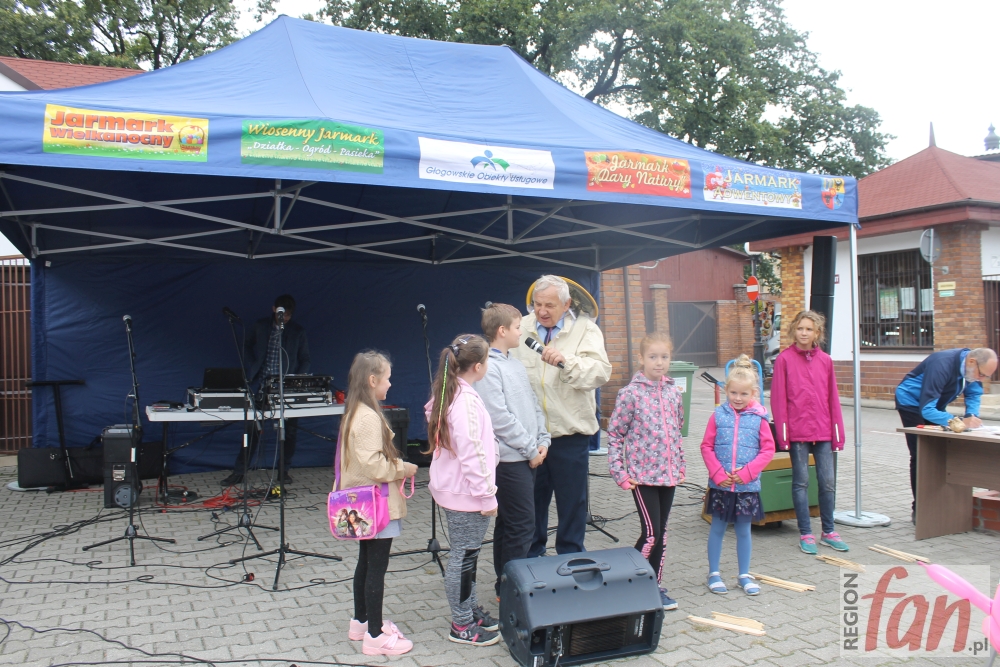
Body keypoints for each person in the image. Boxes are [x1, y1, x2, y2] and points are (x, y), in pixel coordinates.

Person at [510, 275, 612, 557]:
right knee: (532, 503)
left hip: (570, 434)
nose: (541, 311)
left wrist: (567, 363)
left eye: (550, 305)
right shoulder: (520, 328)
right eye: (537, 304)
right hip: (530, 437)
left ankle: (571, 558)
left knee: (572, 504)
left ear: (566, 305)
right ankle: (532, 559)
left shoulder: (586, 329)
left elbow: (601, 372)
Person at [338, 350, 418, 656]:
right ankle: (375, 635)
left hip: (361, 504)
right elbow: (374, 465)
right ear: (373, 381)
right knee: (376, 567)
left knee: (366, 561)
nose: (390, 383)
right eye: (387, 378)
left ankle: (361, 621)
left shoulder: (353, 411)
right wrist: (403, 468)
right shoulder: (369, 417)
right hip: (377, 504)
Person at [425, 334, 502, 647]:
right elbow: (472, 452)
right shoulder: (465, 400)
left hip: (458, 490)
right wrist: (487, 495)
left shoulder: (450, 392)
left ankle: (470, 612)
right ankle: (462, 625)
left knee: (468, 555)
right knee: (463, 557)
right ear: (479, 367)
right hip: (467, 494)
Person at [473, 303, 550, 602]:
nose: (522, 332)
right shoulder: (489, 369)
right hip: (509, 461)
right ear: (502, 330)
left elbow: (533, 404)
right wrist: (530, 449)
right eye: (518, 327)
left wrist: (543, 439)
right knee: (522, 524)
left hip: (529, 454)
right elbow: (499, 417)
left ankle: (505, 585)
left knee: (510, 523)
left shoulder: (515, 364)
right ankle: (511, 589)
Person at [606, 332, 685, 611]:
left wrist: (680, 465)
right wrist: (620, 472)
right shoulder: (630, 394)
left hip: (668, 476)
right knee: (651, 534)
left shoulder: (674, 392)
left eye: (664, 357)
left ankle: (654, 586)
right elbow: (615, 434)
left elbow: (677, 431)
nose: (659, 362)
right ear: (641, 358)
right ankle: (632, 585)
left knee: (661, 534)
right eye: (653, 357)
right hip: (643, 477)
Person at [769, 310, 848, 555]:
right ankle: (805, 533)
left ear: (817, 333)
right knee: (801, 482)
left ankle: (829, 531)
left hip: (823, 430)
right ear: (794, 330)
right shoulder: (784, 360)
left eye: (809, 329)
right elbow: (778, 399)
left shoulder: (825, 361)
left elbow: (833, 398)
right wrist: (783, 434)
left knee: (827, 482)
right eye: (800, 328)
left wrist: (838, 433)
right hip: (797, 431)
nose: (804, 333)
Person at [895, 347, 997, 523]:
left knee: (942, 452)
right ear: (972, 362)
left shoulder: (971, 369)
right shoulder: (941, 364)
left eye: (986, 377)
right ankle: (920, 510)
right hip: (911, 403)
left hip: (934, 406)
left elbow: (974, 393)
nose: (982, 379)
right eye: (982, 375)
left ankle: (941, 505)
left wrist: (971, 416)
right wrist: (959, 422)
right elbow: (927, 409)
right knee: (921, 454)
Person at [700, 355, 775, 596]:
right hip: (721, 486)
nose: (738, 398)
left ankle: (744, 575)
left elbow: (768, 449)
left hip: (746, 487)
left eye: (744, 394)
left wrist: (749, 472)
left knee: (744, 531)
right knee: (717, 529)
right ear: (726, 391)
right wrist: (717, 473)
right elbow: (706, 446)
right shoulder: (717, 415)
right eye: (733, 393)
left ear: (753, 393)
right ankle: (714, 573)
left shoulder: (760, 419)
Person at [221, 294, 310, 486]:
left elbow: (305, 358)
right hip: (261, 385)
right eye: (282, 314)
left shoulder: (297, 331)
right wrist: (253, 366)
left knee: (289, 433)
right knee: (252, 429)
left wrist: (296, 381)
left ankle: (283, 471)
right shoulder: (261, 326)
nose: (284, 318)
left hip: (286, 390)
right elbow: (247, 345)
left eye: (288, 315)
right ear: (274, 309)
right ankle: (239, 471)